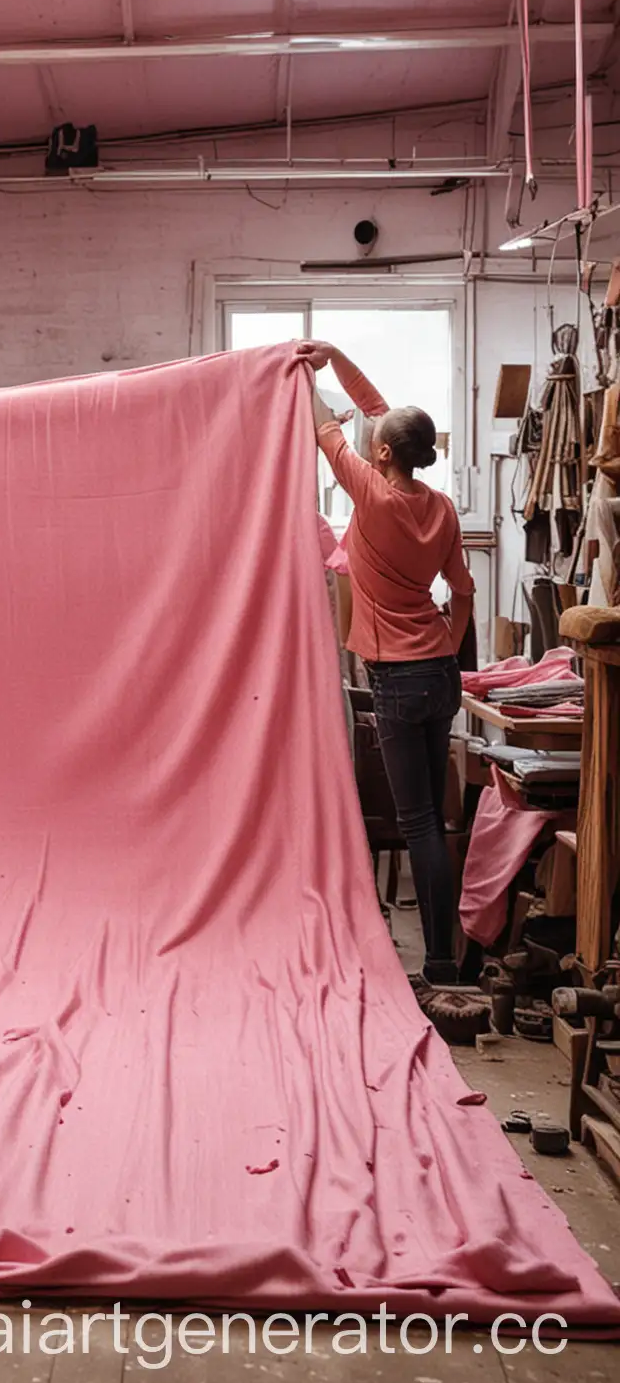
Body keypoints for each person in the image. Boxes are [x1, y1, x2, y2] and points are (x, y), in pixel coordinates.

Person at [302, 340, 475, 985]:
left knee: (419, 823)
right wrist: (339, 355)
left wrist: (305, 367)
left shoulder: (370, 496)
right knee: (436, 814)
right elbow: (463, 592)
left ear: (381, 453)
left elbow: (324, 423)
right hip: (439, 672)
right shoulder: (441, 507)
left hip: (398, 679)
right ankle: (446, 954)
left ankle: (438, 964)